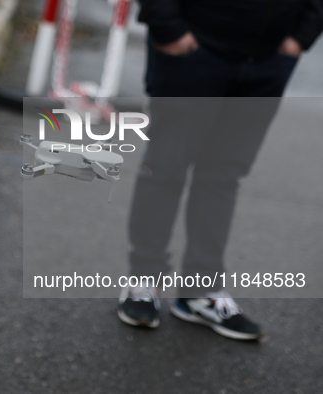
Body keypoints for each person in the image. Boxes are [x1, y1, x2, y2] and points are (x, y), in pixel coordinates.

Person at [117, 0, 323, 340]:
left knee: (223, 176)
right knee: (166, 168)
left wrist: (302, 36)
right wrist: (168, 27)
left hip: (269, 60)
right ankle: (144, 280)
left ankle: (200, 291)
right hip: (192, 49)